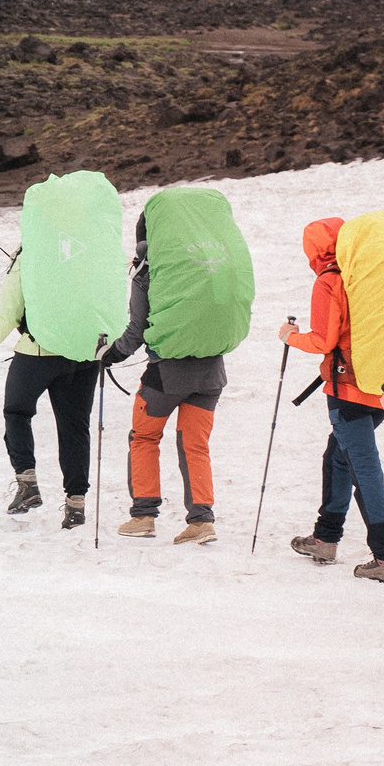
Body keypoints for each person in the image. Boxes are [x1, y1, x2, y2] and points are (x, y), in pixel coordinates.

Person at [101, 188, 255, 544]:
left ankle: (143, 516)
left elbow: (136, 331)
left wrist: (110, 355)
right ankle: (201, 521)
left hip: (165, 376)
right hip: (212, 375)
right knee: (194, 445)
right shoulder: (212, 264)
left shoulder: (151, 268)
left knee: (143, 437)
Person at [282, 218, 384, 582]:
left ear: (314, 251)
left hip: (347, 389)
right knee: (337, 456)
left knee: (362, 467)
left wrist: (290, 336)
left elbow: (323, 340)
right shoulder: (367, 276)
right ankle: (325, 538)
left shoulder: (329, 281)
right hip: (379, 388)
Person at [0, 256, 97, 531]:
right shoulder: (89, 248)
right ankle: (76, 506)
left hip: (38, 351)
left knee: (16, 412)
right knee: (74, 428)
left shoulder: (32, 252)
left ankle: (28, 485)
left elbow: (11, 310)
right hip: (85, 351)